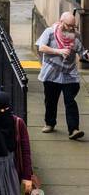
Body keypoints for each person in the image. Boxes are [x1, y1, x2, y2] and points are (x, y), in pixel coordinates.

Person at [36, 11, 85, 140]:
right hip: (51, 73)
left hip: (69, 73)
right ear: (61, 22)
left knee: (70, 101)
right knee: (51, 100)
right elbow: (41, 48)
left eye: (73, 26)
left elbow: (81, 52)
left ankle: (74, 129)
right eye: (69, 25)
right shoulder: (50, 32)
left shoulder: (76, 36)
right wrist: (59, 51)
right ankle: (50, 123)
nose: (71, 28)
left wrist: (86, 55)